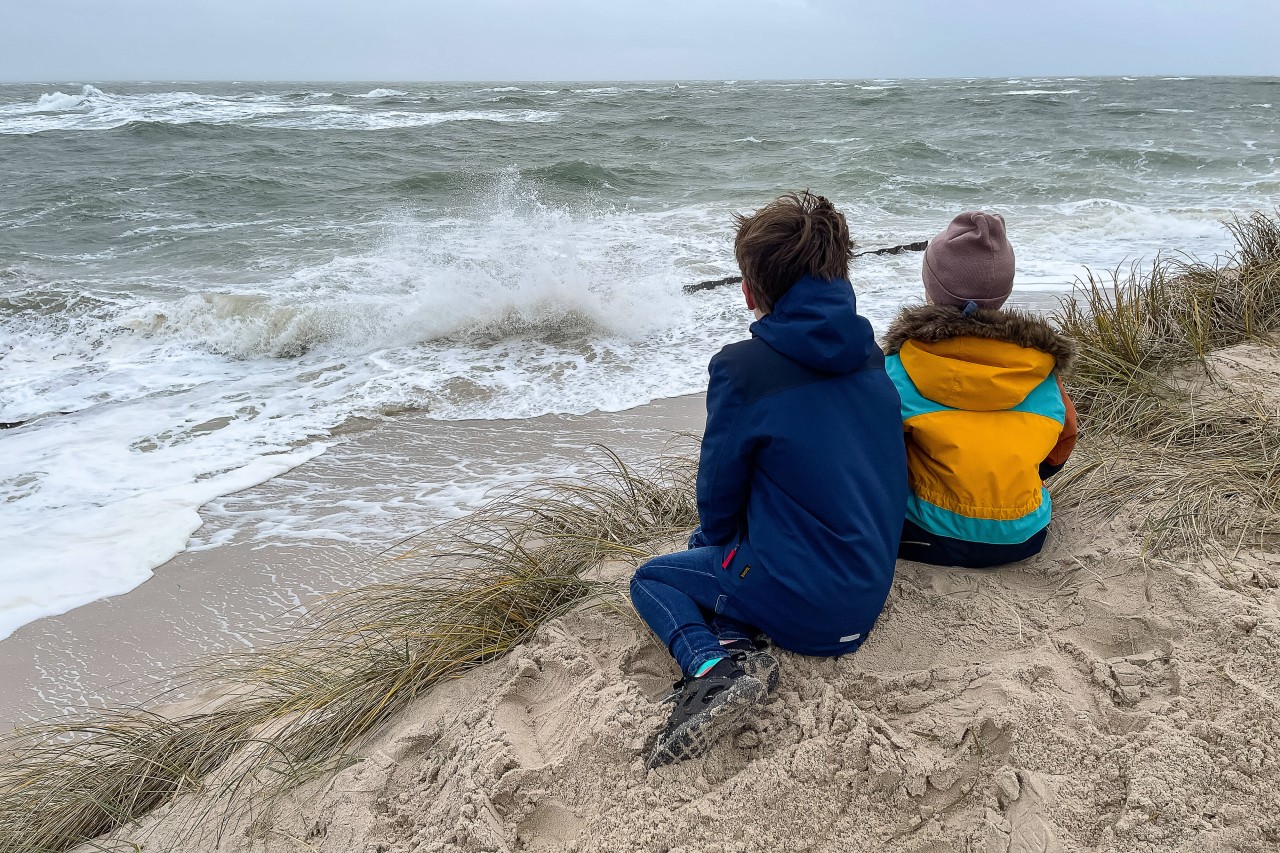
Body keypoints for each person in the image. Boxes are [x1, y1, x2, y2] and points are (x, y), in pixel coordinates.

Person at [630, 191, 908, 769]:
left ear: (750, 292)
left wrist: (712, 543)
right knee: (737, 547)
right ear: (838, 272)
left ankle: (713, 667)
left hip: (810, 603)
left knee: (655, 579)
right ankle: (738, 629)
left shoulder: (742, 368)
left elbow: (718, 489)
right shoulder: (869, 356)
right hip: (866, 589)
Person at [883, 211, 1078, 569]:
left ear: (930, 289)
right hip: (1024, 535)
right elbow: (1063, 442)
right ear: (1004, 293)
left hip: (926, 535)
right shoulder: (1040, 369)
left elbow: (876, 455)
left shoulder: (899, 366)